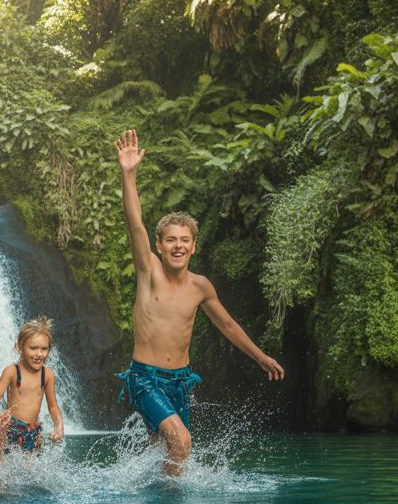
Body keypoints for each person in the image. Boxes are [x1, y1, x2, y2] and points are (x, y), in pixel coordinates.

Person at [113, 129, 285, 476]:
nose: (178, 245)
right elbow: (135, 225)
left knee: (165, 451)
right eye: (170, 240)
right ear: (159, 246)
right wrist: (128, 174)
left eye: (185, 240)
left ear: (194, 247)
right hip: (145, 377)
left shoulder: (200, 286)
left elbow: (228, 326)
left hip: (181, 381)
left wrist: (261, 357)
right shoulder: (149, 272)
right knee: (183, 442)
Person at [0, 316, 66, 453]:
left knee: (31, 469)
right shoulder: (12, 371)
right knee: (5, 467)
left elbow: (53, 406)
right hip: (10, 430)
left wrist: (59, 426)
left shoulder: (47, 375)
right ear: (19, 347)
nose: (39, 354)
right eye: (33, 348)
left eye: (44, 349)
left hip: (32, 431)